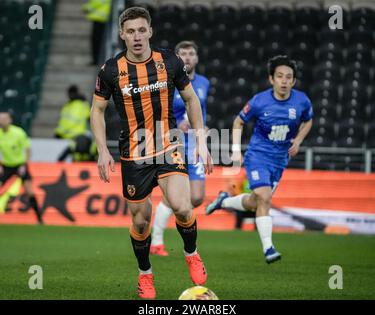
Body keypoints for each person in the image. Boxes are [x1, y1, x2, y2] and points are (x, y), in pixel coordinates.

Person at [90, 7, 213, 299]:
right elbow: (97, 110)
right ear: (122, 34)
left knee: (184, 206)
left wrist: (201, 141)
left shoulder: (169, 60)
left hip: (169, 145)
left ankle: (191, 253)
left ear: (150, 31)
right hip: (133, 154)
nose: (136, 37)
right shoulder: (110, 70)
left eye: (141, 30)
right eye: (130, 31)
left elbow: (191, 99)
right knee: (140, 221)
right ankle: (145, 274)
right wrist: (102, 151)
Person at [206, 55, 313, 264]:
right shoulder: (259, 101)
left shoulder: (302, 101)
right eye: (280, 76)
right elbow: (238, 122)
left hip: (280, 160)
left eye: (288, 77)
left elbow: (308, 120)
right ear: (271, 79)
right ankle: (268, 248)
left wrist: (298, 140)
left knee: (256, 202)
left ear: (294, 81)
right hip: (257, 157)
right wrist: (236, 150)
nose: (284, 81)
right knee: (264, 197)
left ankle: (223, 200)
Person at [150, 41, 210, 256]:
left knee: (196, 197)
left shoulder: (204, 83)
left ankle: (174, 215)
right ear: (176, 57)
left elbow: (199, 108)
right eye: (182, 53)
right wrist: (177, 122)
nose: (187, 57)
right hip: (172, 141)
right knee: (176, 194)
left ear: (196, 58)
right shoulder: (168, 81)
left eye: (191, 53)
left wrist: (202, 127)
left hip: (193, 143)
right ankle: (156, 240)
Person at [0, 110, 43, 224]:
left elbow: (27, 149)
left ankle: (39, 218)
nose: (1, 121)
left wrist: (24, 164)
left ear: (10, 120)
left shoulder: (18, 133)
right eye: (0, 119)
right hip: (6, 166)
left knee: (29, 191)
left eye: (4, 119)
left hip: (20, 165)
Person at [83, 0, 112, 65]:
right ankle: (97, 60)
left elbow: (97, 2)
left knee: (96, 41)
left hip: (100, 19)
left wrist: (86, 8)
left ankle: (96, 60)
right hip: (103, 18)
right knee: (99, 41)